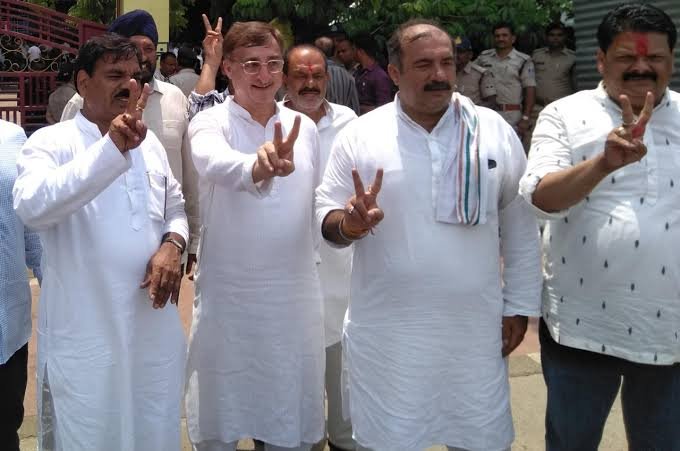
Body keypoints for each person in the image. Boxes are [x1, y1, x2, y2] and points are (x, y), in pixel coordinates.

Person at [315, 19, 542, 451]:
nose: (439, 75)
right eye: (423, 65)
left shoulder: (491, 129)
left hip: (473, 332)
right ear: (394, 72)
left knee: (479, 438)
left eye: (446, 63)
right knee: (389, 439)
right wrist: (349, 224)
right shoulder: (362, 134)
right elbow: (325, 213)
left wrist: (520, 304)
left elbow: (518, 221)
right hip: (389, 335)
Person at [13, 33, 188, 451]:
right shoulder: (51, 143)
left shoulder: (150, 145)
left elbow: (176, 208)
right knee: (90, 434)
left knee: (153, 429)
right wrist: (110, 150)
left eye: (134, 75)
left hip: (150, 331)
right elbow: (31, 207)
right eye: (114, 75)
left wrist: (173, 244)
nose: (129, 85)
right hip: (86, 337)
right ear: (83, 82)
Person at [519, 3, 680, 449]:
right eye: (627, 57)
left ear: (671, 60)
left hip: (670, 330)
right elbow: (540, 198)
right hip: (582, 326)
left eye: (655, 57)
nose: (642, 67)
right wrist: (602, 164)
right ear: (601, 60)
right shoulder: (564, 114)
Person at [185, 21, 325, 451]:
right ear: (227, 67)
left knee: (287, 412)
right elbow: (214, 162)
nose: (264, 75)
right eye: (251, 65)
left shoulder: (304, 128)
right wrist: (257, 167)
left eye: (273, 64)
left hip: (291, 297)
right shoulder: (209, 122)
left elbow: (314, 200)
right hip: (230, 297)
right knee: (220, 413)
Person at [61, 10, 200, 275]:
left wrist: (191, 239)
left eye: (149, 48)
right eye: (134, 47)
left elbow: (189, 175)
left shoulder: (175, 98)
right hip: (98, 252)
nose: (143, 56)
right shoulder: (83, 102)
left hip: (168, 245)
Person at [282, 44, 357, 451]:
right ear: (285, 79)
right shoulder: (269, 123)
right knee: (296, 405)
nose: (310, 83)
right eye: (301, 75)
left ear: (328, 79)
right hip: (287, 275)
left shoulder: (349, 123)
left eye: (317, 75)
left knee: (345, 398)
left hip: (342, 271)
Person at [0, 119, 42, 451]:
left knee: (4, 428)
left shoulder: (12, 138)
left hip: (7, 328)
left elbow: (31, 230)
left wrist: (54, 285)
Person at [475, 22, 535, 143]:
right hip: (487, 113)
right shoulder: (484, 58)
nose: (500, 39)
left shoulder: (523, 60)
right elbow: (469, 73)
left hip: (512, 115)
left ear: (513, 38)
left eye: (504, 35)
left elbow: (530, 89)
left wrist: (525, 117)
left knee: (511, 149)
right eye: (497, 36)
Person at [314, 36, 361, 115]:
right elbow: (355, 107)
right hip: (345, 121)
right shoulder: (348, 76)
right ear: (334, 52)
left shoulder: (311, 76)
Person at [353, 35, 393, 115]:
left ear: (360, 51)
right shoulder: (357, 73)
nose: (352, 53)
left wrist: (359, 108)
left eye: (354, 49)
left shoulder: (379, 76)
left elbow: (384, 107)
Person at [454, 36, 497, 108]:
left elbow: (491, 102)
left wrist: (472, 110)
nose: (456, 55)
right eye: (453, 51)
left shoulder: (481, 74)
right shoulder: (445, 73)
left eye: (460, 51)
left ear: (470, 55)